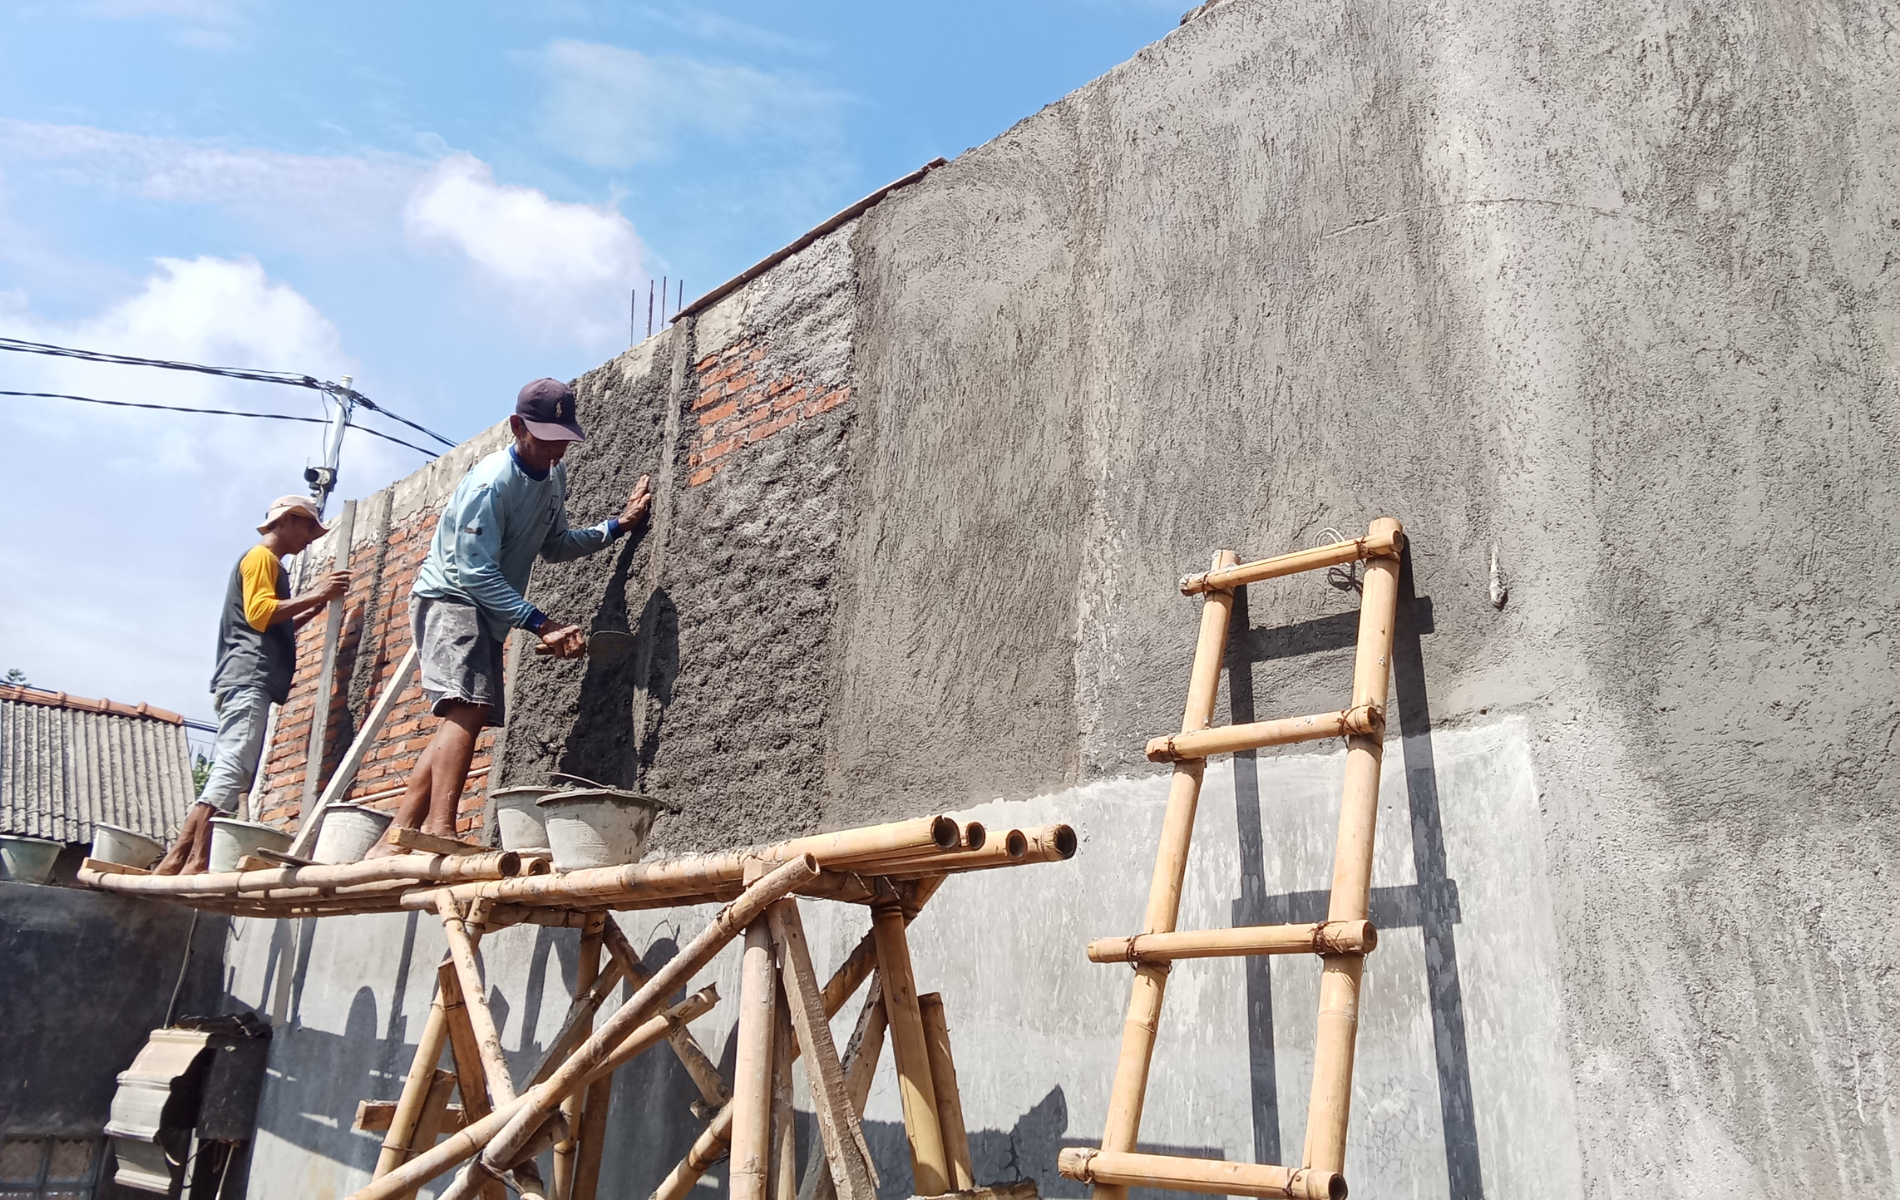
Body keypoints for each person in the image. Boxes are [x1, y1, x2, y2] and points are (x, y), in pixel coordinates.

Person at [371, 377, 651, 854]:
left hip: (484, 609)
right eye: (545, 439)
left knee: (464, 712)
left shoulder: (554, 476)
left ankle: (395, 838)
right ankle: (439, 829)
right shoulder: (491, 483)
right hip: (452, 598)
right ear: (518, 427)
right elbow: (474, 571)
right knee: (469, 705)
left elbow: (554, 544)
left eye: (563, 441)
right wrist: (542, 624)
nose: (555, 451)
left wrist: (616, 527)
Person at [156, 496, 352, 874]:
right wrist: (318, 594)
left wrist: (311, 607)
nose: (310, 539)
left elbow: (262, 625)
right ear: (288, 520)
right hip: (248, 677)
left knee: (236, 767)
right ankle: (186, 857)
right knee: (234, 767)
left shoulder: (266, 563)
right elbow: (261, 613)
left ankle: (186, 858)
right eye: (308, 528)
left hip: (240, 676)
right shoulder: (262, 558)